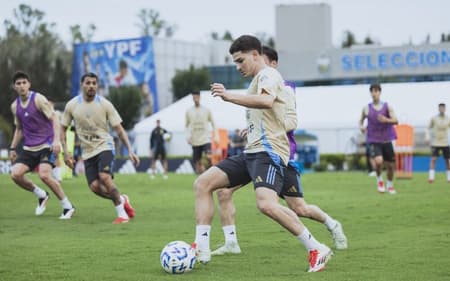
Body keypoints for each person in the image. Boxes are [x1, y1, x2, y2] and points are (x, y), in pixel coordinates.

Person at [193, 35, 332, 272]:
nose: (238, 67)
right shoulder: (258, 79)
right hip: (252, 153)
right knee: (203, 184)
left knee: (266, 205)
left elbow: (267, 101)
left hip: (268, 153)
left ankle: (316, 247)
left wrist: (228, 96)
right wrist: (251, 129)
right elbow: (268, 113)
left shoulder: (268, 74)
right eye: (235, 63)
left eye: (240, 60)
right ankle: (201, 247)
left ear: (256, 55)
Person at [60, 72, 140, 224]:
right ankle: (122, 199)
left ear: (97, 86)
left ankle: (122, 215)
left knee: (104, 177)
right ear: (82, 85)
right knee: (95, 187)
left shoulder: (105, 104)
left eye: (94, 83)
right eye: (88, 83)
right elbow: (62, 129)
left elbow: (119, 129)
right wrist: (65, 152)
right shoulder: (72, 105)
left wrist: (130, 149)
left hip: (105, 146)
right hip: (88, 152)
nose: (91, 86)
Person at [9, 71, 75, 219]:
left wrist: (56, 140)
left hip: (47, 144)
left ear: (29, 84)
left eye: (24, 82)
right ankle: (41, 194)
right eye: (18, 84)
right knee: (15, 174)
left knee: (44, 175)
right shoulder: (15, 106)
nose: (22, 86)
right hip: (29, 148)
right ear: (15, 87)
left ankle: (67, 206)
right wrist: (13, 147)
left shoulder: (38, 99)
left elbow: (55, 119)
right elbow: (19, 128)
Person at [359, 83, 398, 194]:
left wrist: (386, 120)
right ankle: (380, 180)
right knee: (379, 161)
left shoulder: (387, 106)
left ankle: (390, 184)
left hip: (386, 139)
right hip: (374, 139)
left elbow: (396, 120)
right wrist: (361, 127)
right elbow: (360, 120)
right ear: (370, 93)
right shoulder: (366, 108)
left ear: (380, 92)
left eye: (376, 91)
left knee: (390, 166)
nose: (374, 93)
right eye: (372, 91)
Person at [185, 91, 217, 174]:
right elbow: (186, 126)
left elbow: (213, 123)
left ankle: (211, 173)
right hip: (195, 140)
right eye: (194, 97)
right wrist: (187, 136)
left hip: (205, 139)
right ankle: (201, 177)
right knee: (197, 162)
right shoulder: (189, 111)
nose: (195, 99)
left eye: (197, 97)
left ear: (200, 97)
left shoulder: (206, 110)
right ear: (192, 98)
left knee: (209, 156)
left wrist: (216, 135)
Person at [426, 103, 450, 183]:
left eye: (443, 108)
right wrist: (427, 137)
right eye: (440, 108)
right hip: (435, 142)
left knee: (448, 160)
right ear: (438, 109)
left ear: (445, 109)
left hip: (445, 143)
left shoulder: (448, 119)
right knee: (433, 159)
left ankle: (449, 178)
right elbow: (428, 128)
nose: (442, 109)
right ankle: (431, 178)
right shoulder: (434, 118)